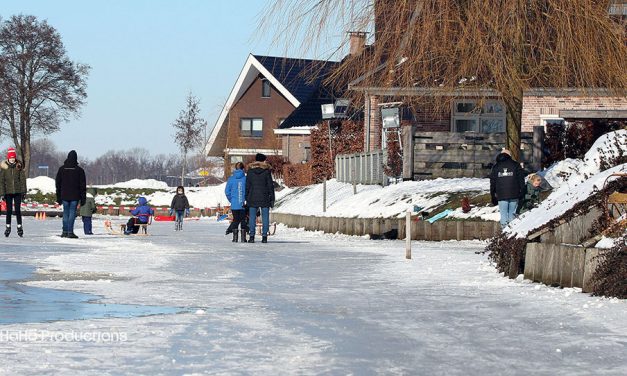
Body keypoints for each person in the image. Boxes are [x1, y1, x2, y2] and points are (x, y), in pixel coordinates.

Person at [490, 148, 525, 228]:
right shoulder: (516, 165)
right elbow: (521, 180)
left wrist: (493, 195)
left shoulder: (496, 166)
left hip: (501, 195)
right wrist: (522, 191)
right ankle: (512, 232)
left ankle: (504, 233)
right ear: (509, 155)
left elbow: (492, 182)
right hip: (514, 194)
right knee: (512, 214)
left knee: (503, 214)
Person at [55, 150, 86, 238]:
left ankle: (64, 231)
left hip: (64, 194)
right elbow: (82, 185)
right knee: (72, 213)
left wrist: (58, 196)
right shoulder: (79, 170)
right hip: (75, 196)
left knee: (65, 213)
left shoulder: (62, 169)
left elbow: (58, 184)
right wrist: (83, 198)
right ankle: (70, 231)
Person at [246, 153, 275, 243]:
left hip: (252, 197)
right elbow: (270, 186)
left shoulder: (250, 172)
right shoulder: (266, 171)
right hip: (264, 197)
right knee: (265, 217)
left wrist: (246, 197)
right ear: (263, 160)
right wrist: (272, 198)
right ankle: (264, 236)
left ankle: (251, 236)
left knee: (252, 218)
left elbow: (247, 186)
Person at [0, 147, 27, 237]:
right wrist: (2, 193)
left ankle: (19, 227)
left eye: (13, 157)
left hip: (18, 191)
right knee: (9, 211)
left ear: (15, 158)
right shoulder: (4, 168)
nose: (12, 159)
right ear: (8, 158)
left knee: (18, 210)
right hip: (8, 192)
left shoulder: (18, 166)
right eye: (10, 157)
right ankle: (8, 227)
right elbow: (1, 181)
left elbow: (22, 179)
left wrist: (23, 192)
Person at [225, 162, 247, 242]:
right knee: (243, 220)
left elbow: (227, 191)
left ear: (235, 168)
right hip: (243, 203)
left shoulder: (231, 179)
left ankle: (235, 238)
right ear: (243, 168)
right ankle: (243, 238)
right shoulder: (245, 179)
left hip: (234, 203)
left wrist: (232, 200)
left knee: (235, 219)